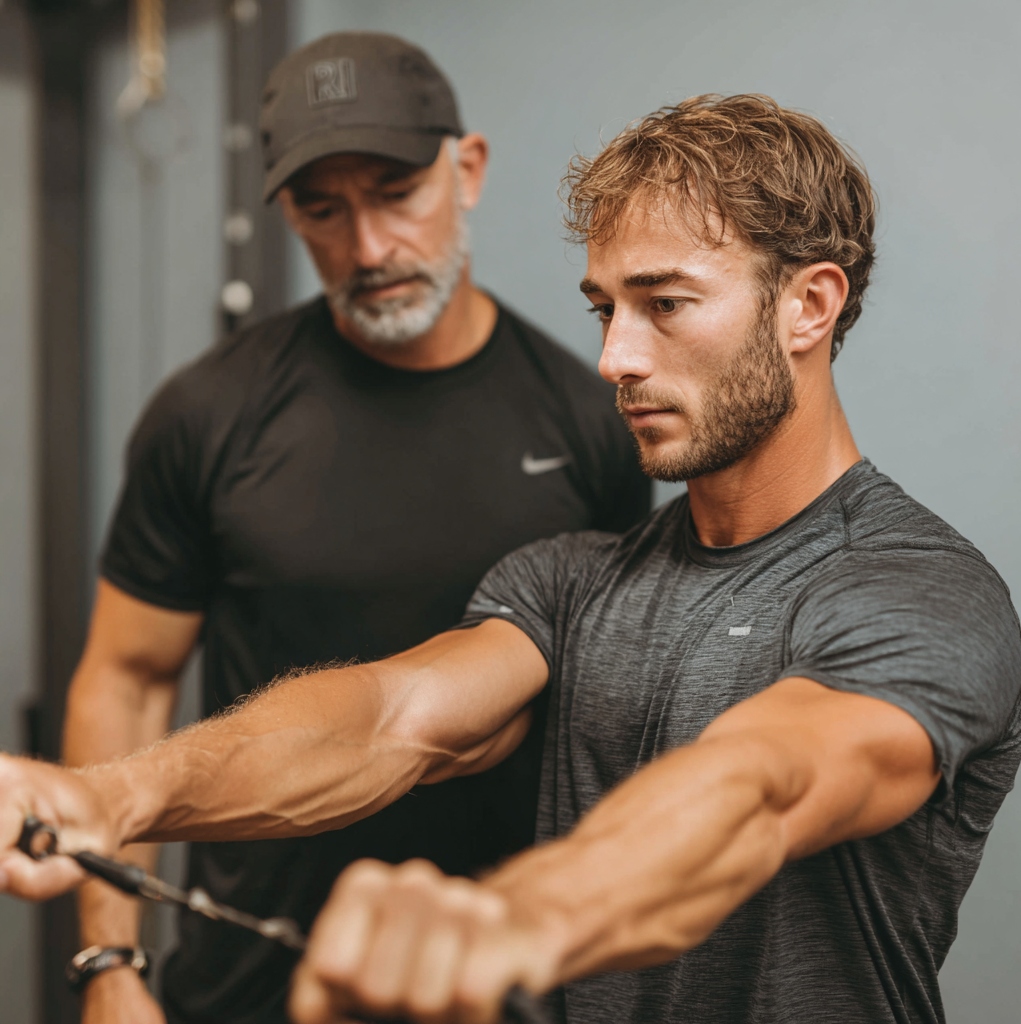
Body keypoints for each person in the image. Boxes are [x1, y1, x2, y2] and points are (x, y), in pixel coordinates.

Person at [2, 93, 1020, 1024]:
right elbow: (385, 719)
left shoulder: (921, 590)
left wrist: (514, 919)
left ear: (810, 305)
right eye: (605, 309)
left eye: (665, 304)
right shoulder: (570, 580)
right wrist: (117, 796)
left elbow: (764, 784)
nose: (616, 358)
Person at [58, 31, 649, 1024]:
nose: (368, 248)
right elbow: (127, 680)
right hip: (247, 983)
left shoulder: (594, 422)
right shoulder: (207, 414)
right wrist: (109, 961)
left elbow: (607, 717)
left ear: (467, 170)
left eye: (395, 192)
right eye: (322, 209)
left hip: (493, 980)